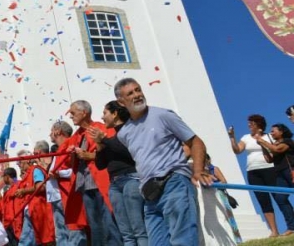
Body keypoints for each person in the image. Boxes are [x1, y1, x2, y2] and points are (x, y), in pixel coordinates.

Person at [114, 78, 213, 246]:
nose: (137, 95)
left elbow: (195, 142)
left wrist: (198, 171)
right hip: (149, 193)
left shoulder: (163, 115)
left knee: (182, 240)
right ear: (121, 102)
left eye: (138, 90)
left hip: (174, 183)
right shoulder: (124, 133)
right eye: (130, 93)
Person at [90, 101, 147, 246]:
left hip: (131, 180)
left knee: (139, 229)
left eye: (105, 113)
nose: (102, 118)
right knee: (126, 233)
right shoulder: (112, 138)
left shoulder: (129, 131)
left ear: (115, 114)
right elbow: (100, 164)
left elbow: (130, 153)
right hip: (114, 184)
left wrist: (104, 140)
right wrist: (99, 144)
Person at [67, 100, 122, 246]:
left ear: (84, 113)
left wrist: (89, 156)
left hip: (100, 182)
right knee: (95, 226)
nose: (71, 117)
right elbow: (66, 159)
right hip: (85, 184)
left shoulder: (100, 128)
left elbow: (112, 151)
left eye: (73, 113)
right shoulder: (76, 135)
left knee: (109, 222)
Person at [228, 114, 281, 237]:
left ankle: (291, 227)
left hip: (270, 169)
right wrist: (232, 137)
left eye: (251, 124)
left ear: (258, 125)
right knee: (264, 201)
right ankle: (274, 231)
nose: (248, 126)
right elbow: (237, 150)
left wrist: (261, 141)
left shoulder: (269, 136)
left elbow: (277, 150)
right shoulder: (246, 138)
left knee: (279, 198)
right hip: (253, 171)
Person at [46, 120, 86, 246]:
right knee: (61, 232)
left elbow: (77, 169)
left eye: (51, 131)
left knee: (73, 228)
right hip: (56, 196)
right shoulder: (58, 151)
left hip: (67, 193)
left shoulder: (70, 146)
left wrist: (59, 174)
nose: (50, 135)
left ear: (58, 132)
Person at [255, 123, 294, 235]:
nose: (271, 133)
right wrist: (262, 146)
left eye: (273, 131)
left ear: (281, 132)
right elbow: (269, 159)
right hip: (280, 174)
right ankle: (292, 227)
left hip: (290, 170)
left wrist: (262, 141)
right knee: (280, 198)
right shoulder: (274, 144)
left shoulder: (287, 141)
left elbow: (277, 150)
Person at [0, 167, 21, 246]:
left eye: (3, 177)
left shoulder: (18, 184)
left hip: (15, 222)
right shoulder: (11, 187)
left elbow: (16, 182)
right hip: (8, 222)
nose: (3, 179)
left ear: (7, 177)